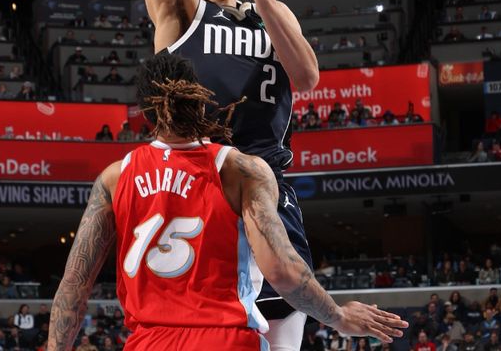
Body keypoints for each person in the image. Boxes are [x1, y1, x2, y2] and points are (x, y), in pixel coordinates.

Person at [101, 0, 322, 350]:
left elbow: (306, 78)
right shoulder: (176, 3)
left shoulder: (271, 12)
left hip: (271, 189)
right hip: (199, 186)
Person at [47, 53, 407, 351]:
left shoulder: (115, 177)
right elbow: (283, 272)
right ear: (200, 98)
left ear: (145, 112)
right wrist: (339, 318)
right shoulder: (242, 170)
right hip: (226, 340)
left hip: (148, 343)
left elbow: (74, 286)